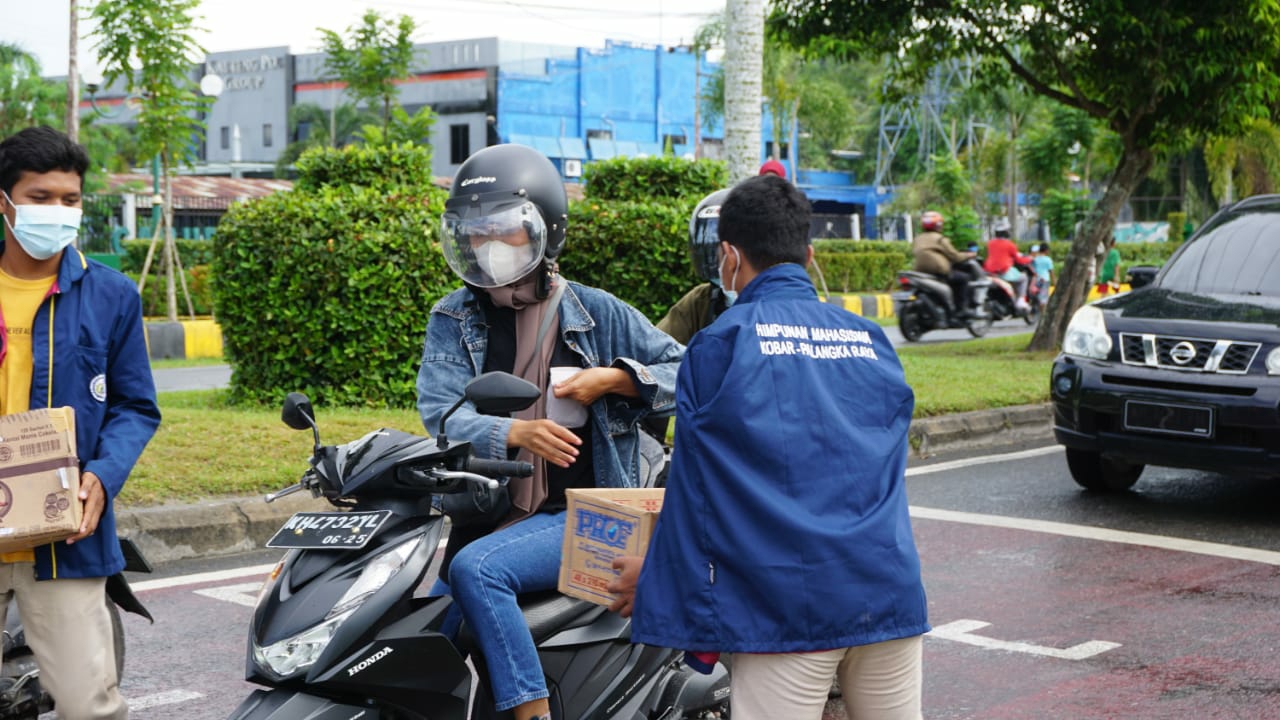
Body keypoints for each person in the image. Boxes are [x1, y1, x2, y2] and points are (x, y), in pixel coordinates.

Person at [610, 175, 929, 720]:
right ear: (807, 253)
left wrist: (658, 573)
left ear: (729, 256)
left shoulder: (721, 343)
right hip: (888, 591)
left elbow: (695, 490)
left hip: (788, 608)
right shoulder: (871, 339)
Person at [415, 142, 683, 720]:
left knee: (476, 572)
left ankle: (531, 712)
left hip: (584, 515)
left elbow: (692, 372)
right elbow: (440, 413)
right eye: (475, 232)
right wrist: (515, 434)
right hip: (488, 515)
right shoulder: (452, 317)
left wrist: (614, 379)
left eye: (504, 230)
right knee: (417, 635)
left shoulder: (597, 312)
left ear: (545, 231)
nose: (488, 245)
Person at [0, 126, 161, 719]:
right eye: (40, 197)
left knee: (89, 704)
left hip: (62, 535)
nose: (57, 211)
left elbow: (136, 406)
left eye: (70, 199)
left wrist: (102, 476)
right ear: (5, 203)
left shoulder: (111, 295)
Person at [657, 189, 732, 345]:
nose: (718, 260)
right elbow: (656, 347)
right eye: (711, 248)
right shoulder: (701, 300)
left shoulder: (775, 303)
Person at [911, 210, 976, 318]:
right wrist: (968, 255)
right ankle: (961, 310)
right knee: (963, 279)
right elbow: (955, 256)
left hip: (920, 272)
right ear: (938, 225)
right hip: (939, 272)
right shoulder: (940, 239)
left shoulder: (918, 239)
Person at [982, 220, 1032, 310]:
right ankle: (1021, 300)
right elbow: (1019, 260)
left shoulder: (990, 243)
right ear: (1006, 233)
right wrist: (1030, 259)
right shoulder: (1010, 245)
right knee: (1024, 278)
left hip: (990, 272)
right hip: (1004, 271)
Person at [1030, 243, 1054, 309]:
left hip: (1036, 280)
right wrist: (1054, 282)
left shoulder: (1035, 259)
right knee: (1043, 298)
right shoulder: (1048, 259)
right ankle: (1042, 313)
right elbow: (1051, 272)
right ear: (1046, 250)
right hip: (1045, 280)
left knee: (1037, 296)